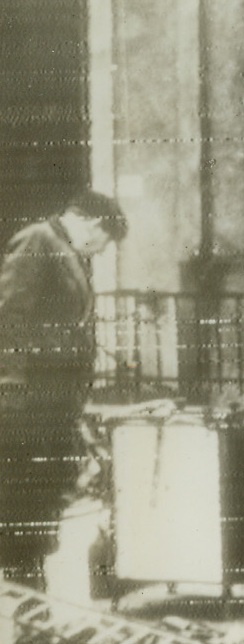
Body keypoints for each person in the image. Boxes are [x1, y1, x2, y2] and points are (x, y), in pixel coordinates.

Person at [0, 191, 128, 589]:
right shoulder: (38, 240)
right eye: (104, 241)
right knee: (26, 489)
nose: (101, 250)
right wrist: (11, 383)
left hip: (53, 401)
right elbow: (10, 315)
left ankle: (29, 578)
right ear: (92, 223)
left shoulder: (65, 250)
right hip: (29, 398)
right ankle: (22, 579)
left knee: (46, 489)